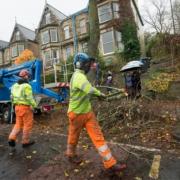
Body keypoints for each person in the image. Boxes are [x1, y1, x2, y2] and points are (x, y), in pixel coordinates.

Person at [65, 52, 127, 174]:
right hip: (76, 114)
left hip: (87, 113)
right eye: (87, 63)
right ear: (80, 65)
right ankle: (70, 154)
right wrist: (100, 94)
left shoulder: (81, 76)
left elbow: (87, 92)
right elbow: (89, 89)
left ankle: (110, 164)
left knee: (98, 137)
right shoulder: (78, 76)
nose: (89, 66)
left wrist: (97, 95)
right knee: (73, 136)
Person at [8, 69, 37, 150]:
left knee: (18, 124)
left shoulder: (14, 86)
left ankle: (11, 138)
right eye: (28, 76)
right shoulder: (27, 86)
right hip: (25, 108)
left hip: (17, 107)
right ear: (26, 76)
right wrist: (34, 105)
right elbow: (29, 98)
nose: (29, 78)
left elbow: (11, 97)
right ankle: (25, 142)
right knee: (27, 125)